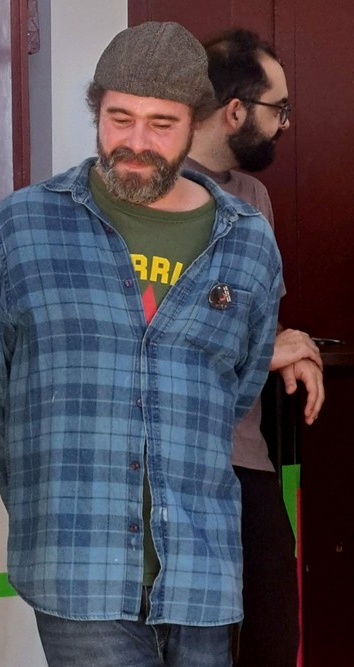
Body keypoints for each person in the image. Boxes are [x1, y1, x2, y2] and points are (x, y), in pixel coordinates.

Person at [0, 22, 283, 667]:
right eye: (119, 118)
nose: (136, 142)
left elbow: (237, 390)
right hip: (76, 565)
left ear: (196, 123)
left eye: (161, 124)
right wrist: (49, 504)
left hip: (202, 572)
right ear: (97, 111)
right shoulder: (19, 229)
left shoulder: (247, 240)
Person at [187, 28, 325, 667]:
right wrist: (263, 351)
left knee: (272, 635)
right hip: (173, 463)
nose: (285, 125)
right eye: (279, 109)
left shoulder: (255, 198)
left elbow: (261, 323)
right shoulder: (150, 194)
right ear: (236, 110)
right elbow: (152, 338)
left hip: (247, 457)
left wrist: (294, 349)